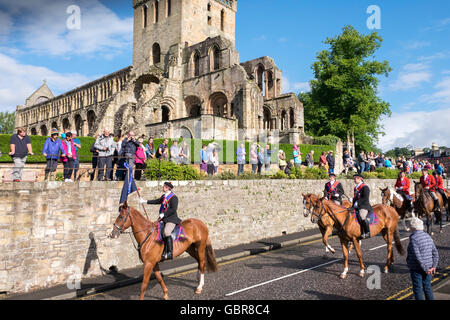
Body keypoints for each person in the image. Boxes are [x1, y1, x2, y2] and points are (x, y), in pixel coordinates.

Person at [139, 182, 181, 261]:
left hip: (171, 219)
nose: (163, 187)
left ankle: (169, 253)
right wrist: (145, 201)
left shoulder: (174, 198)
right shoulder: (164, 196)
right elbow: (157, 201)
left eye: (164, 186)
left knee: (166, 232)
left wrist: (164, 214)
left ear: (168, 188)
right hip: (163, 219)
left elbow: (173, 209)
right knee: (154, 230)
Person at [406, 217, 439, 300]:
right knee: (427, 288)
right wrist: (433, 267)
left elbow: (417, 257)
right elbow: (435, 253)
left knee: (417, 289)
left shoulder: (414, 238)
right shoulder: (428, 236)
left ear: (413, 227)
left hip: (417, 269)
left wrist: (425, 269)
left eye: (410, 226)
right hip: (430, 267)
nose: (409, 227)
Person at [352, 173, 372, 239]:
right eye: (354, 179)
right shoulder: (355, 188)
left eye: (355, 178)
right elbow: (356, 197)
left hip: (364, 205)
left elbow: (365, 198)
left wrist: (357, 202)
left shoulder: (365, 187)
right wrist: (352, 200)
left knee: (362, 216)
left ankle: (367, 232)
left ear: (360, 179)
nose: (354, 180)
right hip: (356, 205)